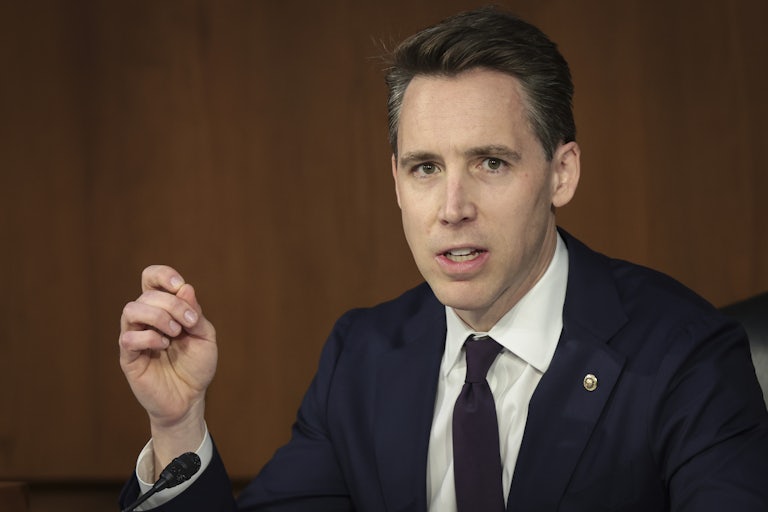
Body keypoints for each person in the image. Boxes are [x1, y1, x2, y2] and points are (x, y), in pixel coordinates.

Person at [117, 7, 768, 511]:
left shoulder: (686, 355)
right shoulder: (362, 357)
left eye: (490, 162)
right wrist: (177, 424)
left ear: (561, 173)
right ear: (397, 183)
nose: (452, 207)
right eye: (426, 168)